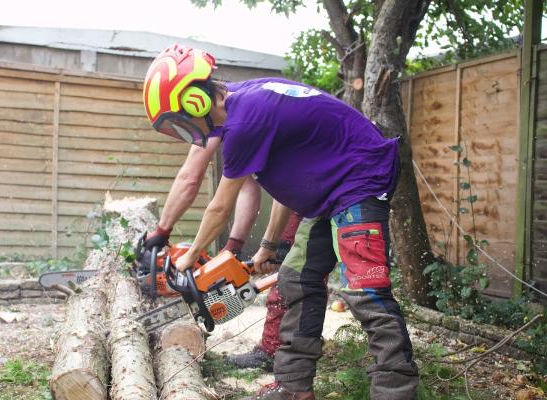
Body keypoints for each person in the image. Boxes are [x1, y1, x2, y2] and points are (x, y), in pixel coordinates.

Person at [142, 44, 419, 400]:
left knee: (366, 290)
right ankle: (293, 387)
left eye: (180, 122)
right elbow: (284, 185)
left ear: (195, 102)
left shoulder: (244, 121)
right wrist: (267, 248)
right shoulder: (241, 105)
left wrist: (188, 256)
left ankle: (395, 392)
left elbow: (219, 207)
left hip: (359, 182)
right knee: (295, 279)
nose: (185, 131)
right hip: (328, 193)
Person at [139, 88, 302, 370]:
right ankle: (287, 349)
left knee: (294, 273)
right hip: (298, 184)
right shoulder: (232, 116)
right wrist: (233, 248)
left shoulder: (224, 119)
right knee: (291, 270)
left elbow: (191, 178)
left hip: (305, 186)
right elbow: (247, 185)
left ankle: (277, 352)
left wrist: (164, 231)